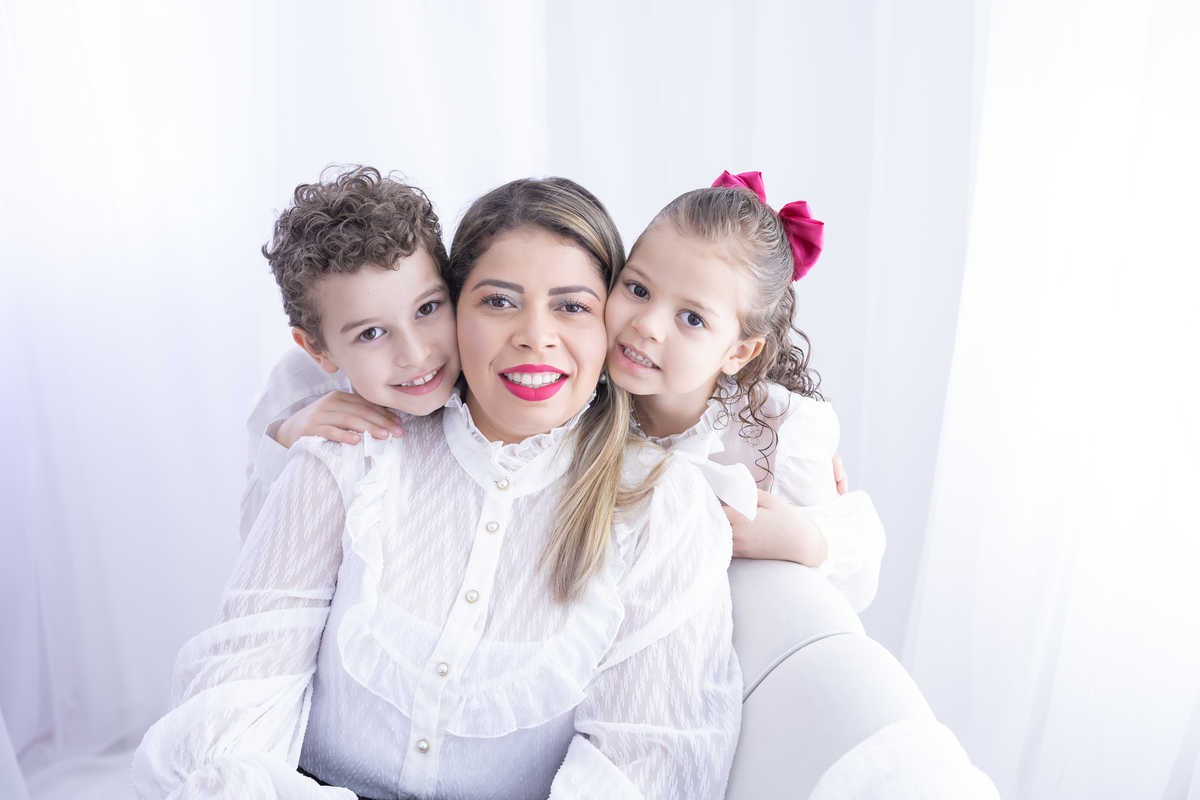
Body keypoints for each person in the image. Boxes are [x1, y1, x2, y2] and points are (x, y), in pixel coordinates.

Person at [131, 177, 742, 799]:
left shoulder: (665, 508)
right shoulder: (348, 458)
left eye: (572, 305)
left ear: (611, 323)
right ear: (454, 309)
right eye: (499, 301)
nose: (535, 335)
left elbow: (641, 769)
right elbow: (229, 714)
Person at [604, 171, 885, 612]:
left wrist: (807, 541)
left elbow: (856, 572)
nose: (646, 325)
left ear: (738, 353)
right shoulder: (580, 394)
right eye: (638, 289)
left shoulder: (781, 435)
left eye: (692, 318)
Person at [238, 165, 459, 543]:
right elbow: (254, 543)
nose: (415, 353)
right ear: (317, 349)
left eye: (427, 309)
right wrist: (286, 438)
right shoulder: (296, 392)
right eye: (370, 333)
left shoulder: (488, 354)